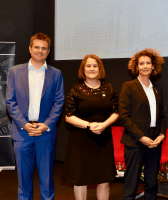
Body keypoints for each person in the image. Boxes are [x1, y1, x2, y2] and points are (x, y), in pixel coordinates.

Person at [6, 33, 65, 199]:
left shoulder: (56, 74)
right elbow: (10, 101)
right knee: (23, 181)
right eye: (37, 47)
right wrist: (24, 124)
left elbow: (59, 102)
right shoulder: (14, 72)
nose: (40, 51)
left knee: (46, 180)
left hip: (45, 133)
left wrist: (46, 125)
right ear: (30, 49)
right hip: (22, 132)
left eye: (44, 48)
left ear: (48, 51)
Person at [61, 54, 119, 200]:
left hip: (103, 140)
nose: (92, 69)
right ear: (83, 69)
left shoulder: (109, 88)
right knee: (80, 180)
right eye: (88, 66)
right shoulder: (76, 89)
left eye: (95, 66)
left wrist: (104, 125)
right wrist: (89, 125)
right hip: (81, 141)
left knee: (104, 179)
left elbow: (116, 112)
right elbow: (68, 116)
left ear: (100, 69)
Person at [119, 48, 166, 200]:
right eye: (141, 63)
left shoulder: (157, 89)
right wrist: (141, 137)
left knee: (152, 183)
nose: (145, 66)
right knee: (131, 184)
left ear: (153, 66)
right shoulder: (128, 86)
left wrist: (161, 135)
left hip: (154, 141)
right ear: (136, 66)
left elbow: (162, 116)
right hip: (135, 141)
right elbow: (124, 117)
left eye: (148, 63)